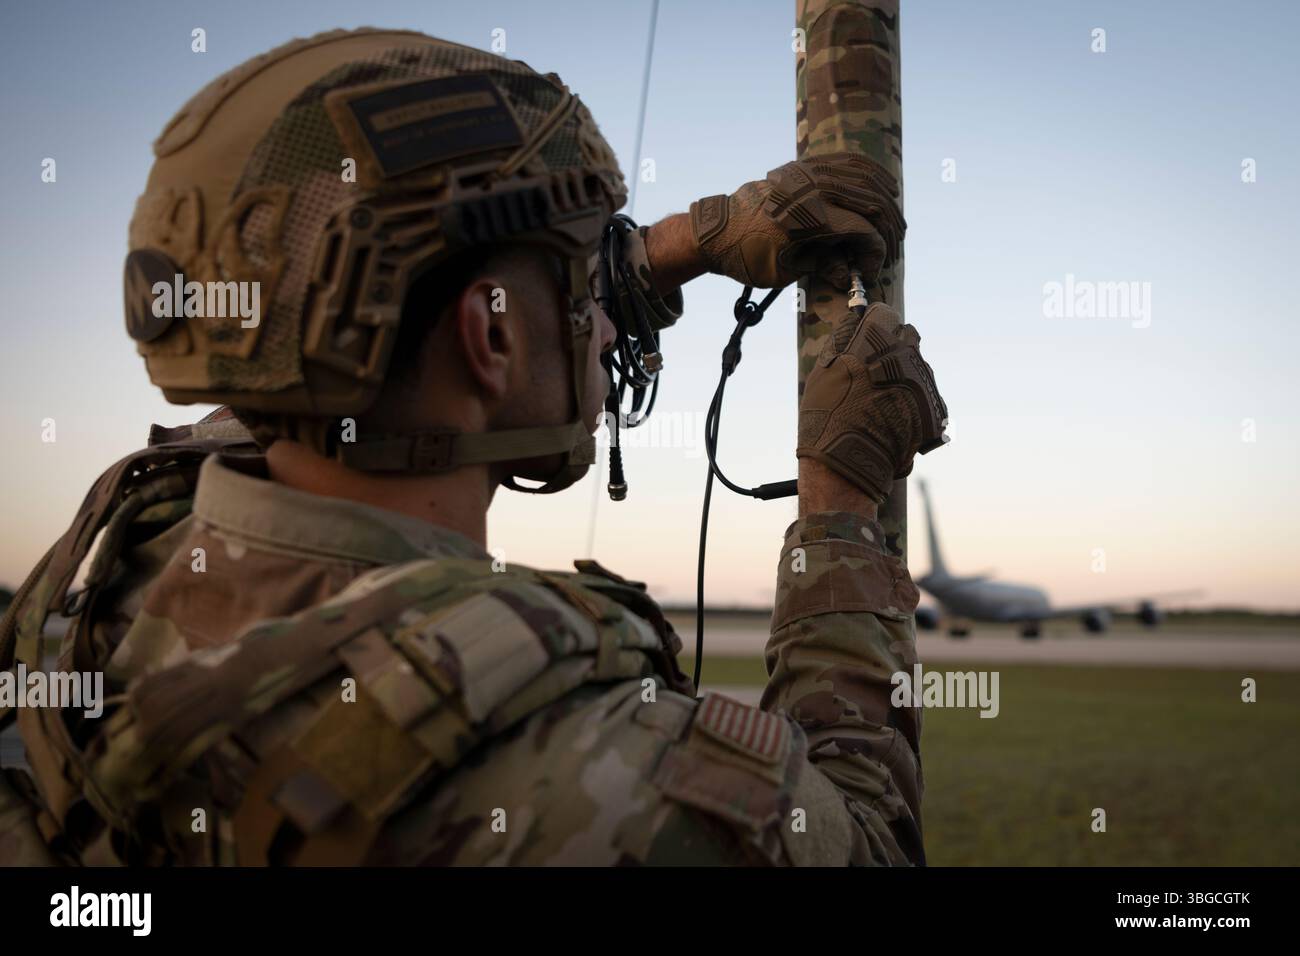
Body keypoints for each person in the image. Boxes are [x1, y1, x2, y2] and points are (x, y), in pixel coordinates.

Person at [0, 27, 946, 866]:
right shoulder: (597, 779)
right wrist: (842, 503)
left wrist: (676, 246)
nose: (605, 330)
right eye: (575, 285)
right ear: (488, 339)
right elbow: (865, 837)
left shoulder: (122, 549)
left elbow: (316, 351)